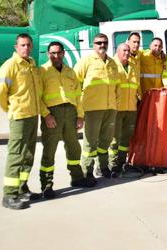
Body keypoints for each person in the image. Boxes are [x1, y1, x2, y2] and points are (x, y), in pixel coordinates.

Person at [38, 41, 94, 200]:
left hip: (70, 113)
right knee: (49, 150)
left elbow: (78, 95)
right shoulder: (42, 71)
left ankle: (77, 178)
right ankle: (46, 186)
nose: (56, 56)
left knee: (74, 147)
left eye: (58, 53)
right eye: (52, 53)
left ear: (63, 53)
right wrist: (46, 115)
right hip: (52, 114)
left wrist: (80, 115)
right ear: (48, 54)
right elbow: (37, 96)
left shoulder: (70, 72)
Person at [0, 33, 43, 210]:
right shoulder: (9, 66)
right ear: (16, 47)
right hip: (19, 117)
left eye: (28, 45)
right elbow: (0, 93)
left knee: (28, 154)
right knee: (16, 155)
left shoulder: (31, 64)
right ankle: (9, 194)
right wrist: (11, 109)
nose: (26, 48)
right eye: (22, 45)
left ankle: (22, 188)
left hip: (32, 115)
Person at [74, 33, 120, 181]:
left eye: (104, 42)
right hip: (93, 108)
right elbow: (74, 82)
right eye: (99, 43)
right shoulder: (86, 61)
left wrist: (115, 104)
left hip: (110, 107)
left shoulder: (112, 63)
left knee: (106, 140)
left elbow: (117, 86)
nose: (102, 45)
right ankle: (86, 171)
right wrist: (78, 107)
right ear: (94, 45)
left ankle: (102, 167)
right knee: (91, 142)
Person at [110, 43, 141, 176]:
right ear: (118, 52)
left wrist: (140, 98)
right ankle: (112, 164)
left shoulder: (133, 66)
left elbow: (137, 86)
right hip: (117, 108)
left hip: (131, 108)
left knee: (126, 138)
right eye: (124, 50)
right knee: (114, 138)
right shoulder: (112, 65)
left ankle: (122, 163)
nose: (127, 53)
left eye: (128, 51)